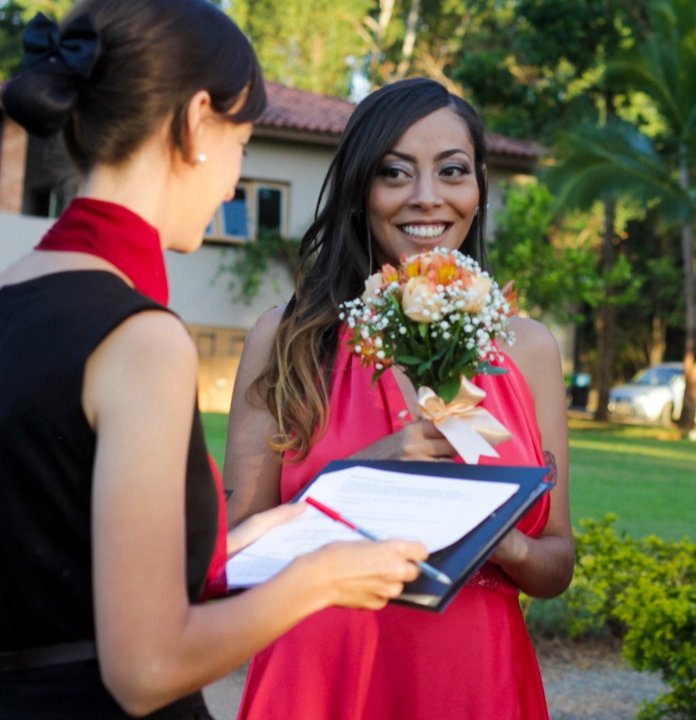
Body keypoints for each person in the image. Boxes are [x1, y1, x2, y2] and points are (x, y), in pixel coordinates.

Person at [0, 3, 430, 718]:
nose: (233, 185)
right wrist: (322, 579)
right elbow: (147, 669)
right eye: (244, 146)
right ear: (199, 122)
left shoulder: (14, 293)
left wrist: (253, 536)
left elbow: (59, 538)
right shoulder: (140, 338)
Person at [224, 77, 574, 720]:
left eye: (452, 171)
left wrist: (507, 544)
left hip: (474, 679)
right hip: (324, 675)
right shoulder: (287, 337)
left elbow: (557, 564)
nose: (427, 197)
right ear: (361, 189)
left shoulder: (528, 348)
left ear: (479, 186)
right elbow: (236, 555)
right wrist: (365, 475)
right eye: (395, 172)